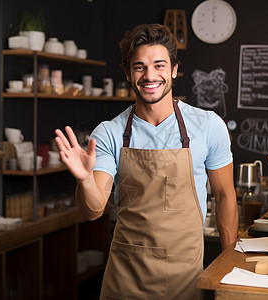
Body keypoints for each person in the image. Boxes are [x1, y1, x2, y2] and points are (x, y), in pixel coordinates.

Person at [55, 23, 238, 300]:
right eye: (139, 67)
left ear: (174, 70)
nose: (149, 75)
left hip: (184, 277)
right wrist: (84, 179)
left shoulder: (208, 126)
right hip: (126, 277)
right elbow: (93, 210)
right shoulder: (109, 132)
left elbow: (225, 194)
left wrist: (228, 264)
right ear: (128, 74)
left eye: (159, 65)